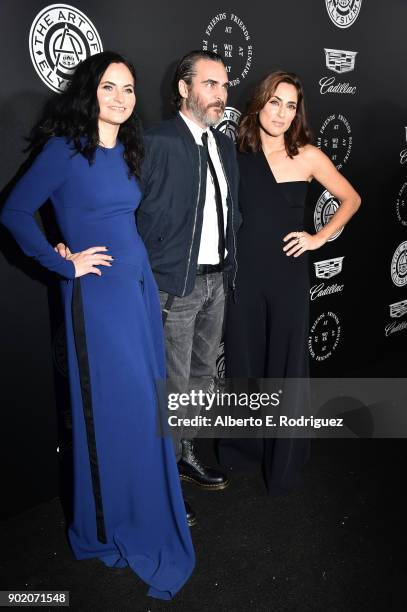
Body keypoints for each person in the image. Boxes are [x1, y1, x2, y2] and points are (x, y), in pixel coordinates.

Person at [1, 51, 194, 601]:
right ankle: (104, 526)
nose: (121, 98)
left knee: (140, 408)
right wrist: (65, 262)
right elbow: (14, 211)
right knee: (110, 412)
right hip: (98, 300)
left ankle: (142, 504)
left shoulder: (128, 148)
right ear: (90, 92)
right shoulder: (65, 149)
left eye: (129, 89)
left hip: (135, 292)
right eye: (110, 87)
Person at [217, 71, 361, 494]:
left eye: (290, 105)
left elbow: (352, 198)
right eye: (274, 102)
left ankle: (284, 459)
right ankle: (243, 452)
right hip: (244, 273)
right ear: (259, 102)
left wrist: (317, 238)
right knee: (244, 363)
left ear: (298, 113)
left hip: (287, 275)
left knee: (285, 366)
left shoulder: (309, 156)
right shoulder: (235, 153)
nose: (281, 113)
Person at [137, 50, 241, 523]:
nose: (220, 94)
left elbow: (229, 211)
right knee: (172, 385)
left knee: (201, 379)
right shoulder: (154, 140)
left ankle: (183, 454)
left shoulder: (224, 146)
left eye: (224, 86)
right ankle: (160, 483)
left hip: (216, 281)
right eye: (210, 84)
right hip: (174, 287)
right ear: (184, 88)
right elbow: (125, 208)